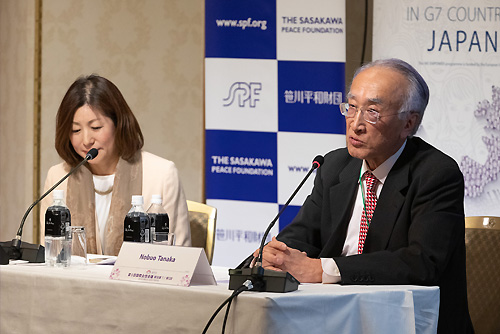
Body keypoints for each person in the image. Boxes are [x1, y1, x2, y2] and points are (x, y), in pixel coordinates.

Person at [256, 59, 473, 333]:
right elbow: (303, 234)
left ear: (409, 122)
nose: (355, 124)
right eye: (352, 107)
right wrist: (275, 255)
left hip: (405, 322)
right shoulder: (335, 165)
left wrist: (324, 270)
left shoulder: (435, 173)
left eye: (372, 112)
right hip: (334, 316)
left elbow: (421, 262)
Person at [40, 74, 191, 255]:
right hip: (75, 283)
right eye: (76, 130)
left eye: (95, 127)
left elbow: (179, 257)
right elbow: (50, 257)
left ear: (118, 124)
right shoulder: (58, 177)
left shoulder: (162, 175)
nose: (86, 140)